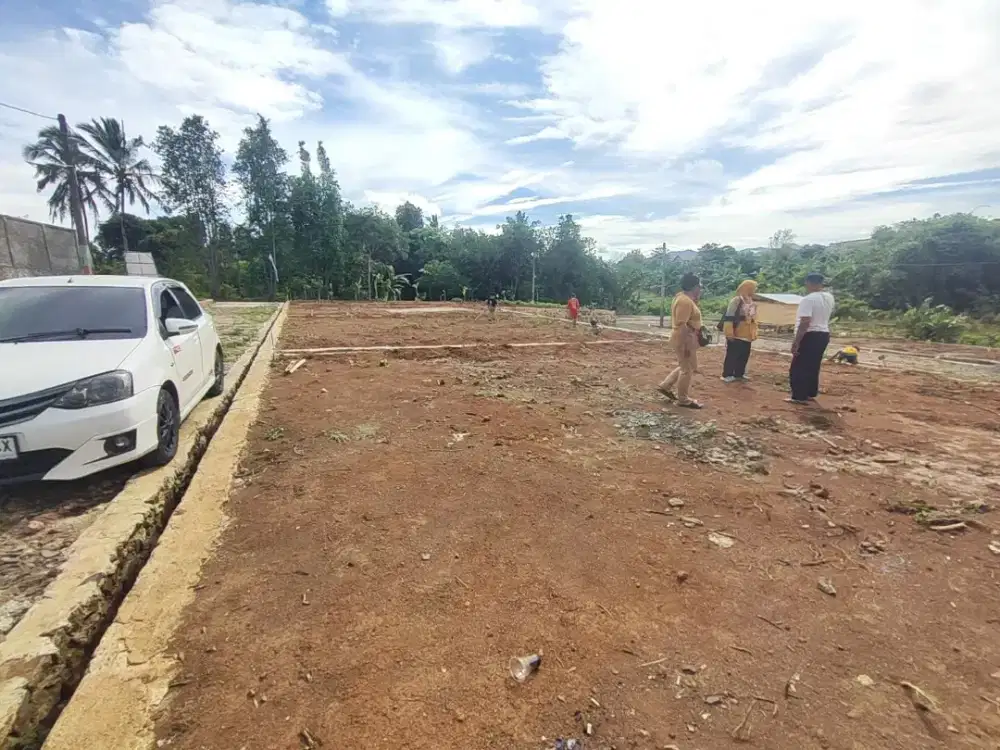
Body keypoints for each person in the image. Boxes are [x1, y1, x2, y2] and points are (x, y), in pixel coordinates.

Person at [658, 272, 704, 409]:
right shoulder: (684, 301)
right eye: (699, 286)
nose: (700, 289)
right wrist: (686, 345)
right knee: (687, 369)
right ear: (694, 287)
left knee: (689, 366)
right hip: (684, 339)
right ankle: (683, 399)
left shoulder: (685, 299)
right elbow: (681, 324)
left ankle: (666, 385)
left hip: (687, 338)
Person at [788, 272, 835, 405]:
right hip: (823, 334)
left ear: (808, 283)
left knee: (799, 366)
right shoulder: (829, 297)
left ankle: (799, 396)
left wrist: (796, 341)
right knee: (813, 365)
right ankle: (810, 392)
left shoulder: (808, 299)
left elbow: (805, 322)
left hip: (810, 335)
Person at [720, 279, 759, 382]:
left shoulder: (751, 301)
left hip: (747, 334)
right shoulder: (736, 300)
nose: (755, 290)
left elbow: (753, 319)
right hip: (736, 333)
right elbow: (729, 317)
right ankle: (727, 374)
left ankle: (739, 373)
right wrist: (729, 333)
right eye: (753, 288)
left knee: (744, 355)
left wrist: (754, 333)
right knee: (732, 355)